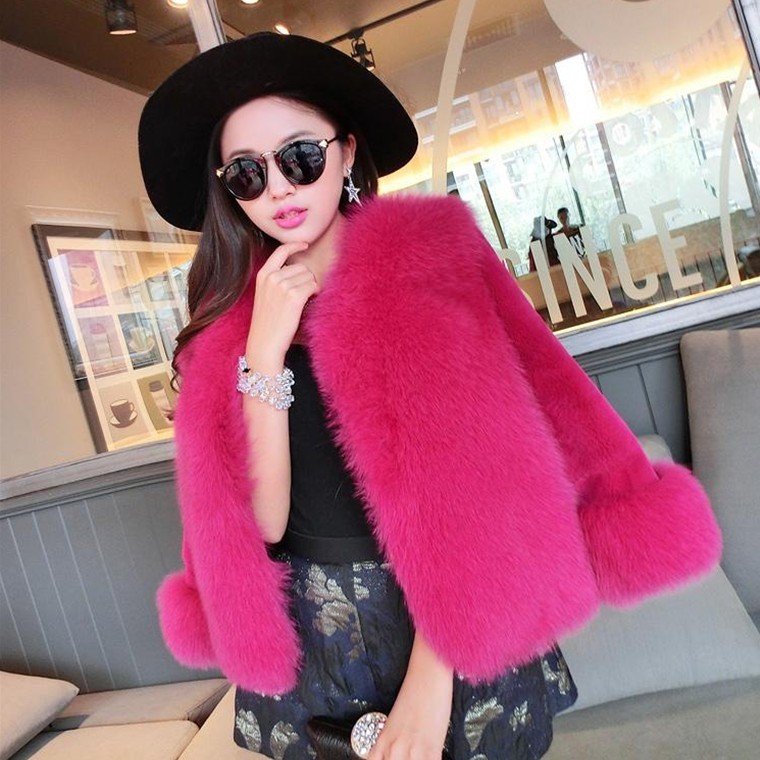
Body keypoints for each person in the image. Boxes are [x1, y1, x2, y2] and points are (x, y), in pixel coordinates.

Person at [138, 33, 722, 760]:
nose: (279, 188)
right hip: (315, 635)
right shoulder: (228, 323)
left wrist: (432, 675)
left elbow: (500, 464)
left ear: (346, 153)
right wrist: (263, 352)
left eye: (300, 157)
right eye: (248, 173)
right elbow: (263, 523)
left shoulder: (430, 262)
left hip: (456, 610)